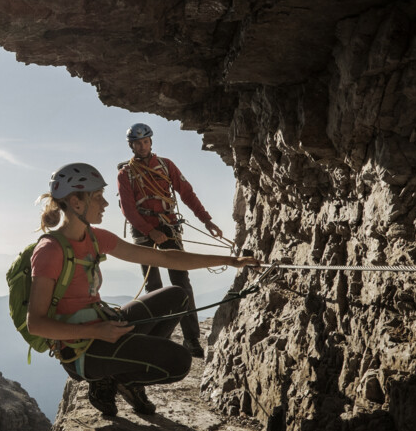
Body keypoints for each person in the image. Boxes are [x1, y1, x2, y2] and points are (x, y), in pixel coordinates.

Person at [28, 162, 258, 417]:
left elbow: (167, 259)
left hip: (103, 327)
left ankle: (126, 379)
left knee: (177, 297)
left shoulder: (95, 237)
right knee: (179, 362)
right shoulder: (50, 251)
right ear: (76, 202)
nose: (105, 204)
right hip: (81, 350)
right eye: (98, 197)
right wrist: (96, 331)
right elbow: (36, 324)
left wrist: (229, 261)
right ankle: (109, 379)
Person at [116, 122, 222, 358]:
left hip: (169, 227)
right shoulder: (126, 174)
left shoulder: (165, 165)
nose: (142, 146)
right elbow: (128, 210)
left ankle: (191, 339)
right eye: (137, 143)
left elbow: (187, 193)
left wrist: (206, 220)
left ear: (151, 142)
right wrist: (149, 230)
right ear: (131, 145)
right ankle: (157, 339)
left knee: (181, 283)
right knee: (154, 287)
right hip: (144, 233)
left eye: (145, 142)